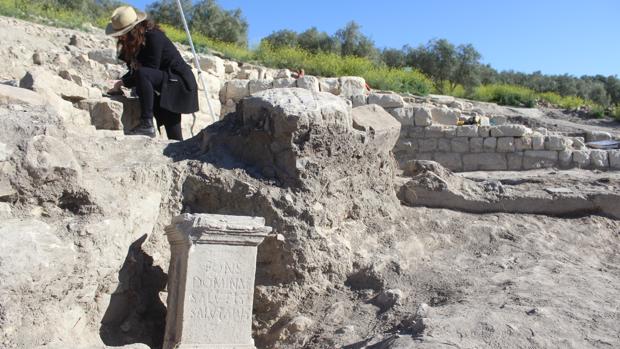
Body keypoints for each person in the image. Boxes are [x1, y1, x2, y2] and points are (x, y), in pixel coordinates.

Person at [105, 6, 199, 140]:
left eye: (122, 33)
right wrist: (119, 83)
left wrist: (122, 82)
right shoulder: (134, 43)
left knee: (172, 126)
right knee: (174, 135)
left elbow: (148, 70)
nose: (120, 37)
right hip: (165, 81)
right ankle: (173, 147)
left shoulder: (154, 36)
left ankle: (146, 124)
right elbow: (135, 71)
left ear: (133, 29)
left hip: (179, 82)